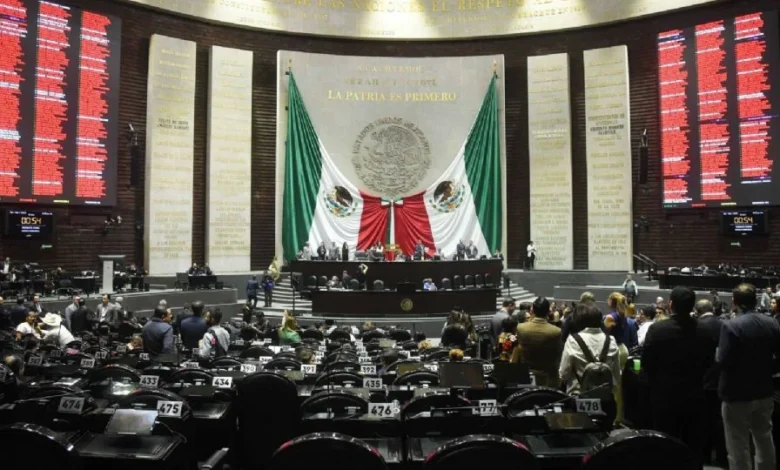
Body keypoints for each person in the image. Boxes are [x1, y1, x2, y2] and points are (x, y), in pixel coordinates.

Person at [641, 286, 717, 466]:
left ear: (670, 304)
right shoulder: (705, 331)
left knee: (666, 447)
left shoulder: (657, 329)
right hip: (695, 396)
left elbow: (647, 364)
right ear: (692, 306)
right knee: (693, 447)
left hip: (665, 397)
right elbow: (709, 363)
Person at [718, 283, 780, 470]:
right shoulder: (772, 323)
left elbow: (723, 361)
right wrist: (767, 371)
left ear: (734, 301)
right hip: (764, 390)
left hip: (736, 394)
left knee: (738, 444)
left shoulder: (730, 325)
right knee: (764, 438)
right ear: (755, 300)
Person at [559, 302, 620, 397]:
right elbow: (616, 376)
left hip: (578, 397)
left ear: (578, 321)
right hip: (605, 398)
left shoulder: (572, 340)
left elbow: (564, 374)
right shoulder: (611, 340)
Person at [694, 299, 727, 467]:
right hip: (721, 380)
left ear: (697, 311)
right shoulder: (724, 325)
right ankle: (721, 455)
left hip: (702, 380)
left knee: (702, 421)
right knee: (720, 420)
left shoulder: (697, 327)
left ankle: (705, 455)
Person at [516, 297, 562, 387]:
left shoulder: (521, 328)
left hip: (527, 377)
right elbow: (558, 355)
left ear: (532, 310)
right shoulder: (556, 331)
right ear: (548, 311)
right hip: (548, 379)